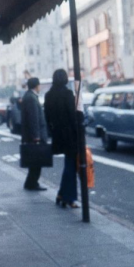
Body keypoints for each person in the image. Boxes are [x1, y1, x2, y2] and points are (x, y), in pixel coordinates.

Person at [44, 69, 79, 208]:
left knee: (69, 165)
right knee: (71, 165)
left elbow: (46, 116)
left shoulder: (48, 95)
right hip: (70, 134)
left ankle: (62, 194)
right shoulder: (68, 94)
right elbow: (72, 116)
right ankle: (69, 198)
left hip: (57, 135)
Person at [21, 77, 48, 191]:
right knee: (36, 161)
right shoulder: (31, 98)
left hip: (31, 135)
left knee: (34, 161)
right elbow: (33, 119)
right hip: (35, 136)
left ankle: (30, 182)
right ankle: (32, 183)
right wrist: (36, 136)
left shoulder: (28, 96)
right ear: (36, 86)